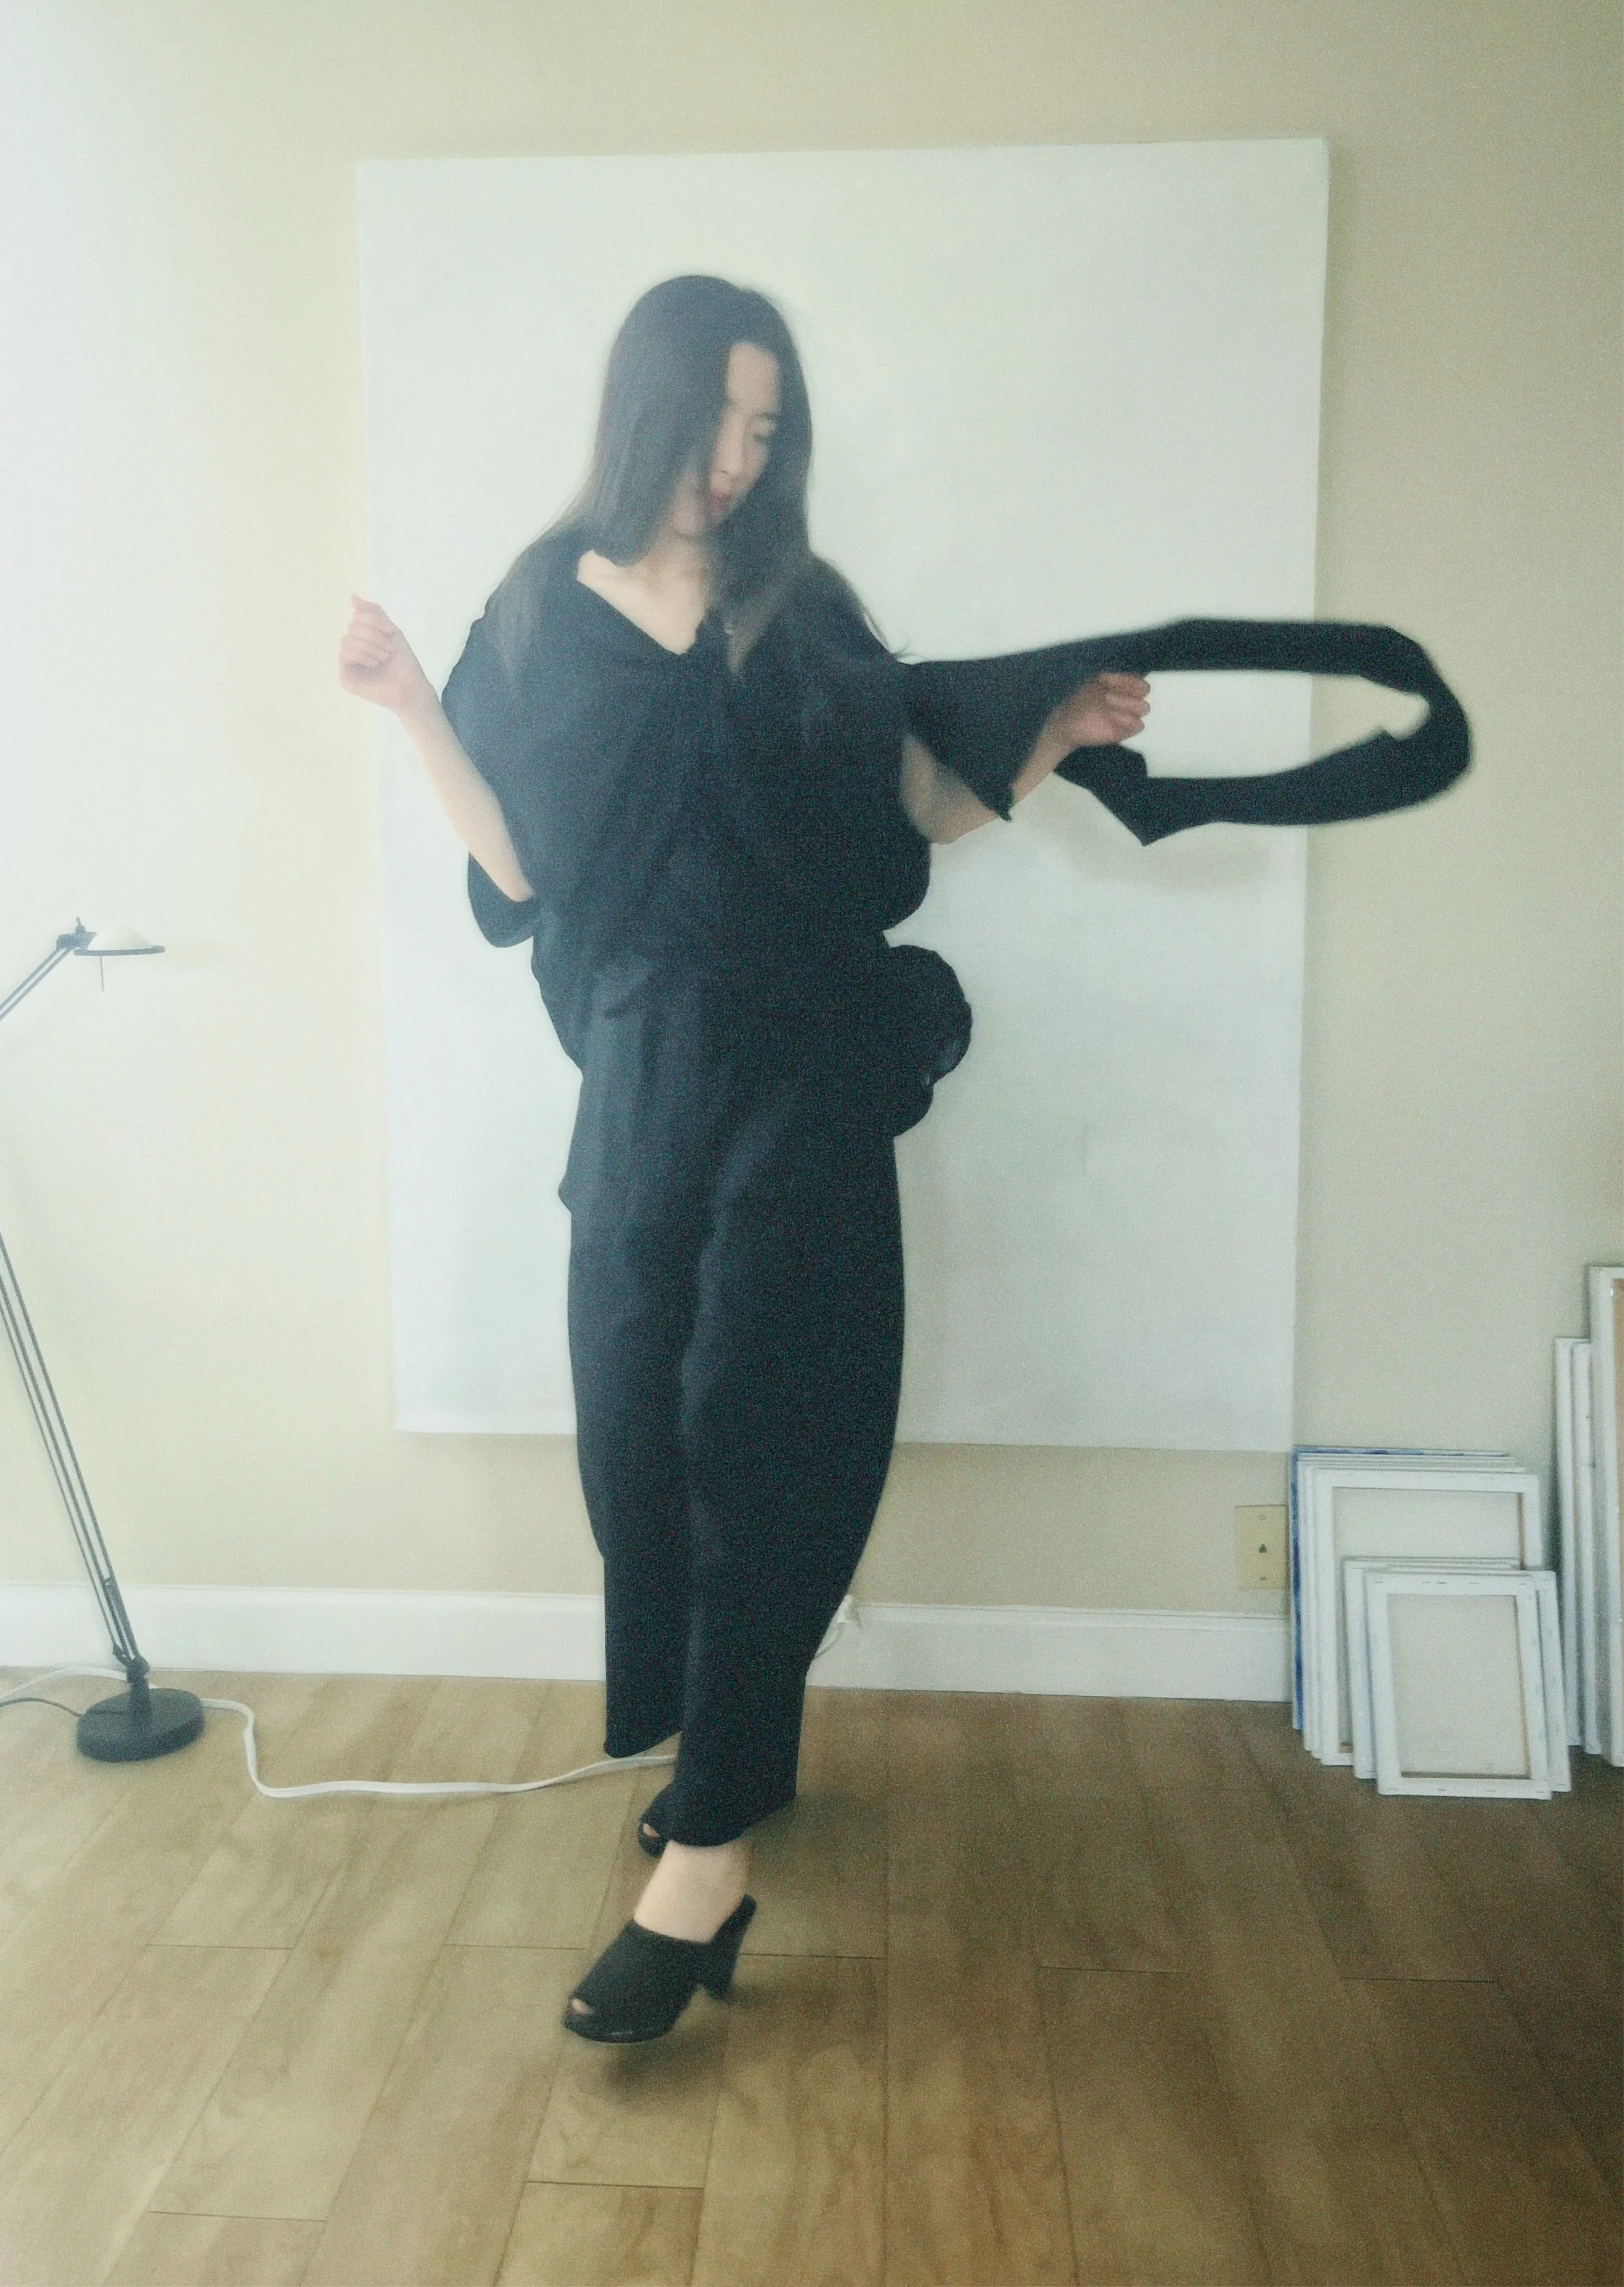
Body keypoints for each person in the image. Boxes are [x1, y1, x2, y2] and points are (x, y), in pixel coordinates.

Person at [337, 273, 1469, 2046]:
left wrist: (1045, 738)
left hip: (801, 1065)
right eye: (713, 421)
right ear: (644, 411)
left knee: (753, 1421)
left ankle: (703, 1862)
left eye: (766, 430)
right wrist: (411, 701)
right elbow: (520, 873)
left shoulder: (802, 610)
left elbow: (911, 804)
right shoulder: (536, 615)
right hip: (641, 1086)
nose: (736, 461)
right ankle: (737, 1756)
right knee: (642, 1434)